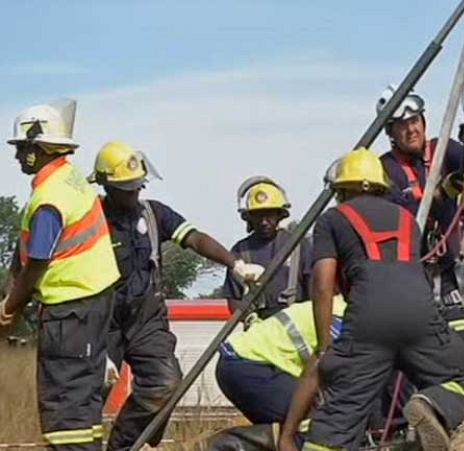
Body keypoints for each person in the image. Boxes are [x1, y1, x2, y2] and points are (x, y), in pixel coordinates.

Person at [279, 148, 464, 451]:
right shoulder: (407, 219)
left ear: (342, 190)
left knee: (338, 420)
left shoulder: (332, 220)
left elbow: (322, 283)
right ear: (382, 187)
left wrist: (327, 347)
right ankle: (434, 404)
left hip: (368, 321)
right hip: (419, 313)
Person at [88, 140, 265, 450]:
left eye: (137, 185)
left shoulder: (154, 214)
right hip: (102, 320)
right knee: (89, 395)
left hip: (146, 319)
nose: (135, 193)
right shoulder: (90, 219)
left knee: (166, 382)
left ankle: (123, 446)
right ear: (106, 185)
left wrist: (235, 264)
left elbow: (194, 238)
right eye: (126, 188)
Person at [0, 99, 120, 450]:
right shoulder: (72, 179)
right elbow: (22, 258)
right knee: (84, 405)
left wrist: (10, 309)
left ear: (39, 149)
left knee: (65, 411)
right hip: (92, 306)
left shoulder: (49, 198)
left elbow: (36, 261)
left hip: (69, 313)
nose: (18, 156)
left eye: (23, 148)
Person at [376, 86, 464, 351]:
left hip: (451, 268)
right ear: (390, 132)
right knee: (421, 348)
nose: (411, 130)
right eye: (401, 125)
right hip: (412, 272)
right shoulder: (383, 169)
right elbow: (396, 214)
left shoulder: (442, 150)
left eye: (414, 121)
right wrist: (441, 193)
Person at [206, 296, 345, 451]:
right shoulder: (343, 320)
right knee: (321, 424)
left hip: (245, 363)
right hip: (250, 366)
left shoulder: (340, 307)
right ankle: (229, 445)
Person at [223, 177, 312, 322]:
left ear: (279, 214)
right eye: (258, 215)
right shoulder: (240, 251)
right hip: (259, 329)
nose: (264, 222)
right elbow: (234, 298)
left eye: (269, 214)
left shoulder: (299, 245)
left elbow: (315, 289)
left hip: (298, 323)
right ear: (249, 218)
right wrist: (249, 319)